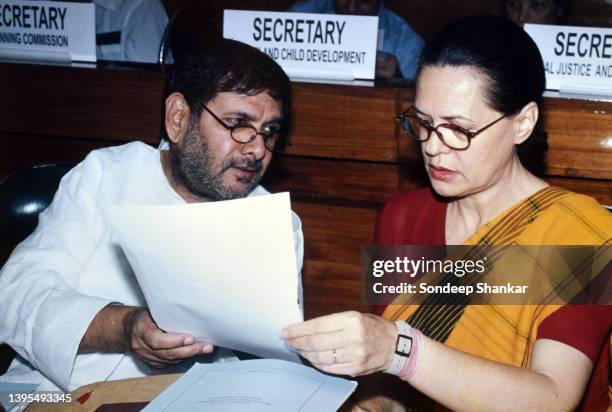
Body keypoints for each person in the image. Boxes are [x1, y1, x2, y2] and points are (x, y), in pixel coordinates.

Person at [282, 15, 611, 411]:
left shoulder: (584, 233)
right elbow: (393, 388)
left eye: (458, 129)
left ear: (522, 123)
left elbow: (552, 398)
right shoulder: (401, 218)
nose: (433, 147)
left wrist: (399, 349)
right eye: (423, 122)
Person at [0, 39, 303, 392]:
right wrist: (124, 328)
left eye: (269, 132)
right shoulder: (106, 175)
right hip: (58, 394)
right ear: (178, 118)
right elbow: (16, 291)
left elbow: (277, 358)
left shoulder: (273, 221)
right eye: (238, 123)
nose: (257, 149)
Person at [288, 0, 424, 79]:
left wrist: (397, 81)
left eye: (364, 0)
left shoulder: (407, 43)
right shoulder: (299, 16)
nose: (351, 7)